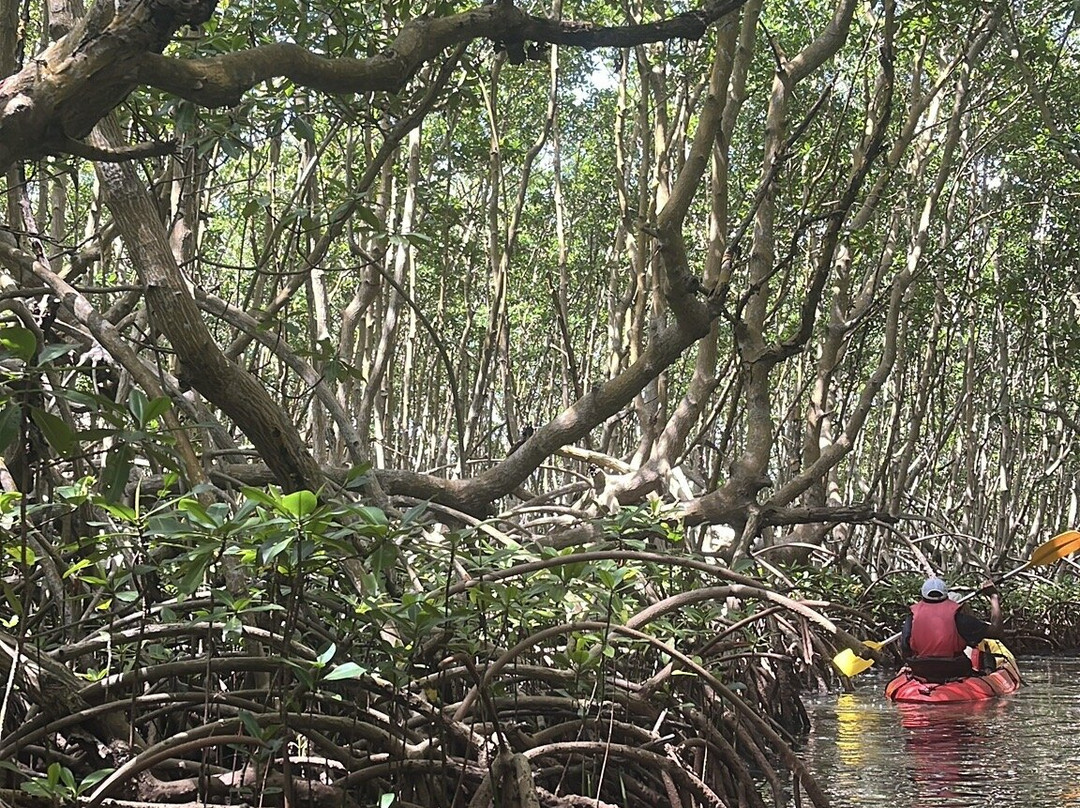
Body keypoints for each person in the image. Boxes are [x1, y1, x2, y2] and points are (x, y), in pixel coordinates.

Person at [899, 576, 1002, 681]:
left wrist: (910, 665)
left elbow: (905, 649)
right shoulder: (959, 618)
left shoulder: (912, 618)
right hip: (954, 670)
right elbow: (996, 631)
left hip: (921, 670)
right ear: (945, 595)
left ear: (923, 596)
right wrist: (993, 597)